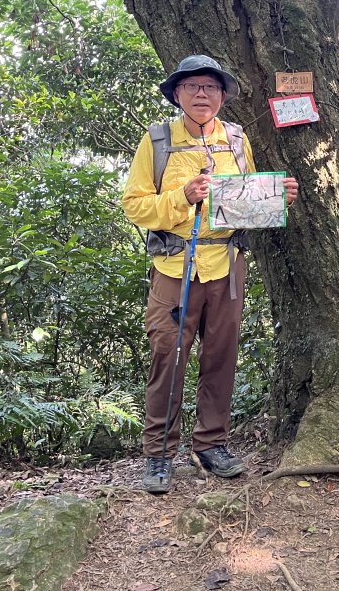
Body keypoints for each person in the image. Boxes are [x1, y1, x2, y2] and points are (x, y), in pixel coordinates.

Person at [122, 55, 298, 493]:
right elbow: (134, 205)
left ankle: (211, 444)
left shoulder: (235, 140)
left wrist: (279, 198)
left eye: (211, 87)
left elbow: (248, 201)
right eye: (194, 87)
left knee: (220, 356)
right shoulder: (158, 140)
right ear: (178, 94)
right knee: (169, 356)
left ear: (222, 95)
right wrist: (182, 195)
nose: (203, 94)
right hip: (174, 267)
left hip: (226, 264)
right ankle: (159, 453)